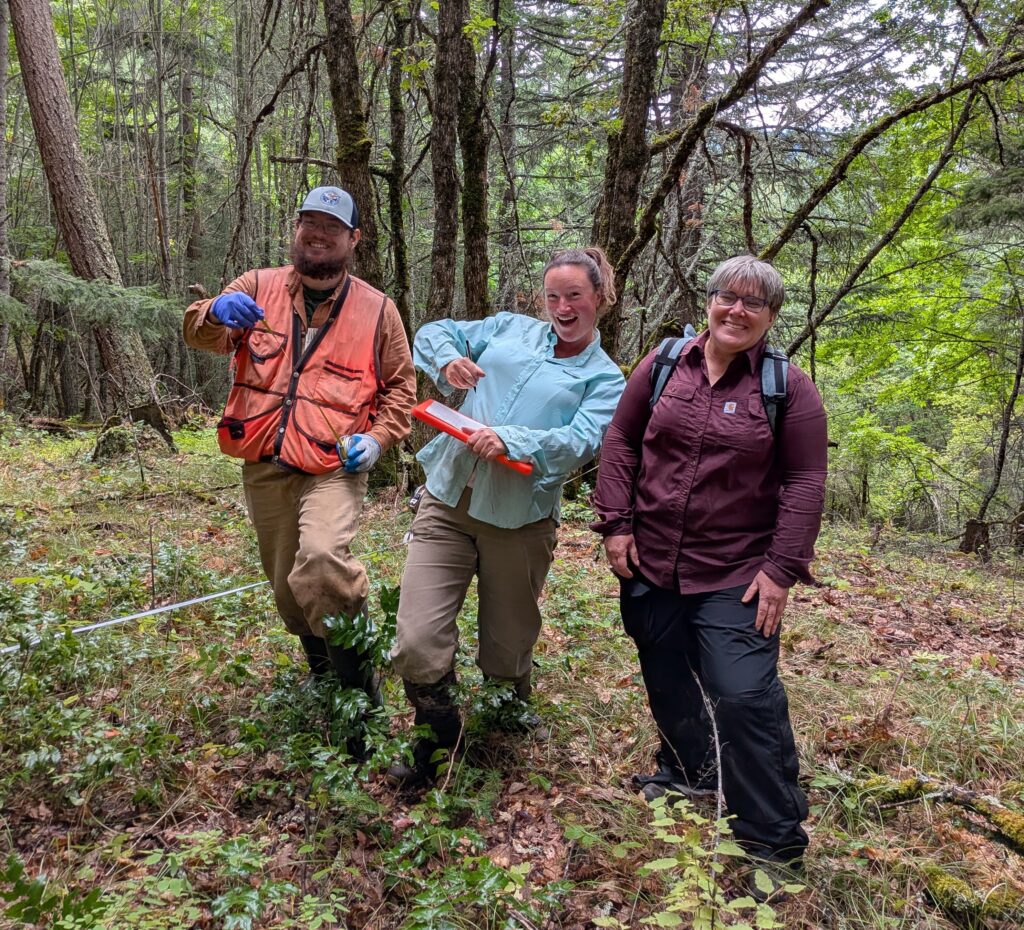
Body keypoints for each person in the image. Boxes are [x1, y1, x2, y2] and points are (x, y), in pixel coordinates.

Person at [592, 255, 827, 885]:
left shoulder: (788, 388)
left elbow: (806, 481)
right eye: (729, 296)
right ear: (711, 300)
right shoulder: (665, 363)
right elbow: (620, 439)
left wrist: (781, 569)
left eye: (755, 303)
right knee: (665, 673)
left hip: (737, 570)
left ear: (772, 317)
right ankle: (688, 771)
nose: (737, 310)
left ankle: (773, 838)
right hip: (651, 558)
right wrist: (615, 522)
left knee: (744, 694)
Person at [387, 246, 626, 787]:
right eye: (553, 296)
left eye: (575, 296)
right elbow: (435, 331)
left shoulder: (605, 379)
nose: (562, 307)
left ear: (600, 299)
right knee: (417, 642)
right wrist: (447, 359)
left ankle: (507, 712)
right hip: (447, 503)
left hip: (519, 522)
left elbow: (579, 441)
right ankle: (438, 735)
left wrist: (512, 439)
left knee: (507, 645)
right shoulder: (509, 330)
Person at [182, 186, 416, 731]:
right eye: (307, 221)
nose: (316, 233)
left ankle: (361, 691)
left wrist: (379, 440)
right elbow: (201, 333)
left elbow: (401, 390)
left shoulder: (378, 310)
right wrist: (214, 310)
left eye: (330, 226)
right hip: (265, 460)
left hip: (334, 465)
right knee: (289, 582)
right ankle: (322, 672)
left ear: (353, 239)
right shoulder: (256, 286)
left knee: (322, 561)